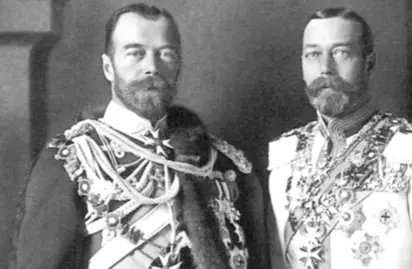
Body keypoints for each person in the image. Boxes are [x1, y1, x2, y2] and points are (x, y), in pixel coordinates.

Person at [16, 3, 267, 269]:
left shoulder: (222, 163)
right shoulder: (72, 162)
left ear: (179, 64)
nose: (152, 67)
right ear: (108, 67)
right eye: (135, 53)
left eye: (166, 54)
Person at [268, 7, 412, 269]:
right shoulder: (286, 157)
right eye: (313, 54)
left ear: (368, 63)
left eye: (341, 53)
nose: (325, 68)